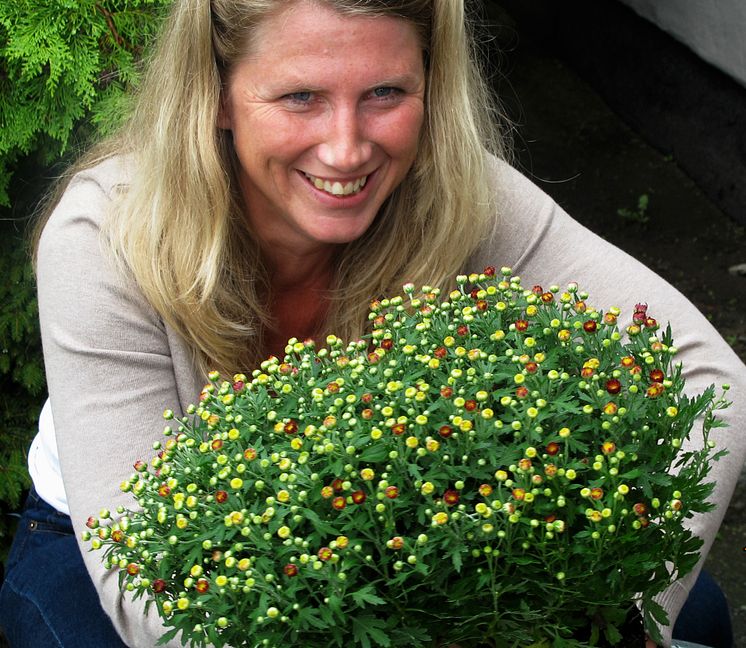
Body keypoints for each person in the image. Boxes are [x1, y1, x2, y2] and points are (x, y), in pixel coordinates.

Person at [0, 1, 744, 646]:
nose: (347, 149)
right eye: (299, 97)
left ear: (430, 82)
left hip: (372, 525)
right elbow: (153, 595)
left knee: (695, 610)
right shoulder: (105, 241)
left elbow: (711, 377)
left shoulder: (451, 192)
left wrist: (626, 618)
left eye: (387, 91)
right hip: (118, 554)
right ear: (217, 93)